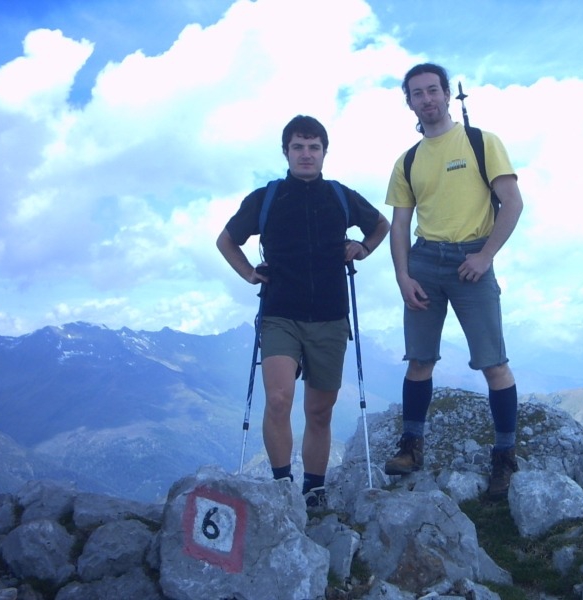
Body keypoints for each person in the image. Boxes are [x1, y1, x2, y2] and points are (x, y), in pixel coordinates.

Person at [217, 115, 389, 508]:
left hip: (330, 315)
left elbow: (379, 225)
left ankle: (313, 490)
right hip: (280, 312)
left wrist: (363, 248)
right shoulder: (267, 197)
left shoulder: (340, 196)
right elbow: (226, 240)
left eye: (314, 147)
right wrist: (247, 273)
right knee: (278, 399)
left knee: (319, 410)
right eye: (298, 147)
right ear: (286, 152)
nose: (306, 154)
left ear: (324, 152)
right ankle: (281, 488)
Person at [383, 63, 524, 501]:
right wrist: (403, 276)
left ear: (447, 94)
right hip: (426, 262)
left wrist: (485, 256)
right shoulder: (407, 161)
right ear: (409, 102)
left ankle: (504, 456)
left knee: (493, 363)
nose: (426, 99)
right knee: (419, 360)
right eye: (417, 94)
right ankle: (411, 447)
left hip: (471, 260)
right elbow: (399, 224)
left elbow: (513, 203)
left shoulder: (482, 142)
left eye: (432, 90)